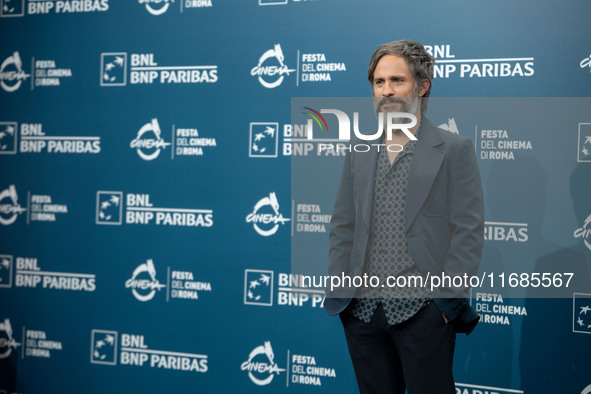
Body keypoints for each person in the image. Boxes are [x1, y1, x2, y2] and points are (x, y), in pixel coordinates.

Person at [325, 40, 484, 394]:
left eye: (397, 80)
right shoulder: (359, 149)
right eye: (379, 82)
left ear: (422, 86)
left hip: (424, 313)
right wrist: (342, 291)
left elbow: (468, 231)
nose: (386, 91)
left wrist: (443, 305)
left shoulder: (453, 149)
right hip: (362, 313)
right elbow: (343, 226)